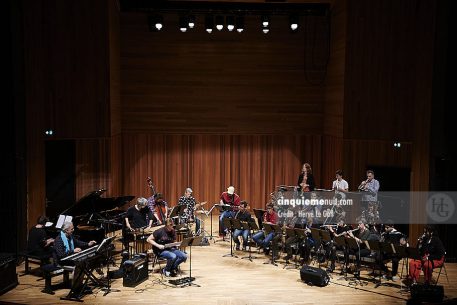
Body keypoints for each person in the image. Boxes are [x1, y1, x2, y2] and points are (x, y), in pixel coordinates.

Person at [52, 221, 96, 294]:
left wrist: (88, 244)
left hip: (69, 258)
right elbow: (61, 255)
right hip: (61, 261)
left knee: (84, 262)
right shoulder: (59, 240)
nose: (73, 230)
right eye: (72, 229)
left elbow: (78, 242)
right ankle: (75, 288)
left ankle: (79, 285)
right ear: (66, 230)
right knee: (80, 265)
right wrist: (73, 251)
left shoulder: (70, 236)